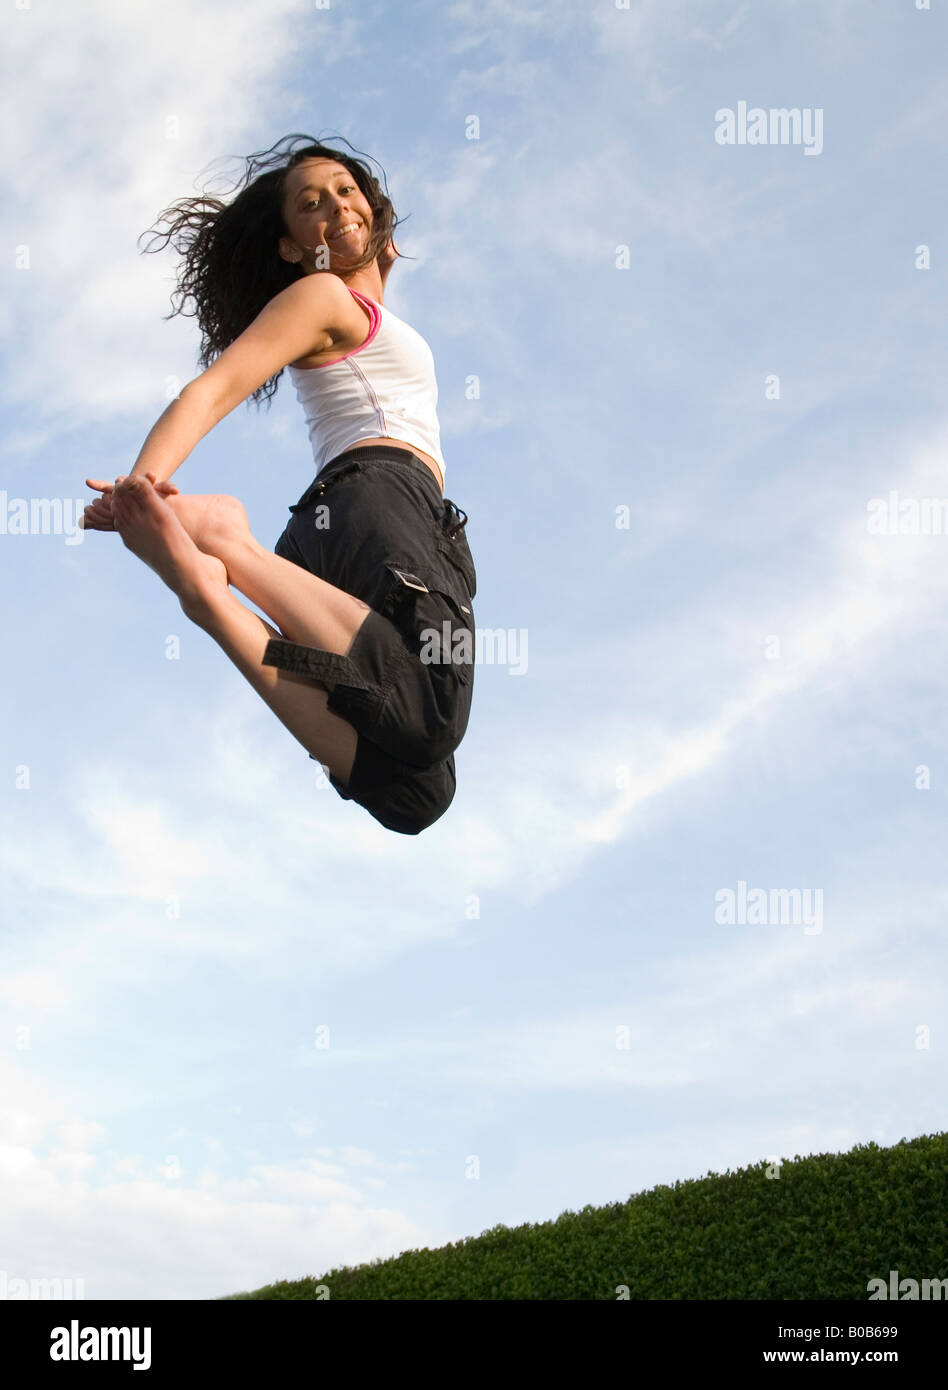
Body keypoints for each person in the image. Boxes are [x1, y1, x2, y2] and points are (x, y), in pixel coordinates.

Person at [82, 135, 477, 835]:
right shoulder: (322, 295)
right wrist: (142, 483)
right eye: (311, 204)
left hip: (338, 533)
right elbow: (210, 391)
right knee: (430, 711)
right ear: (292, 247)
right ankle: (232, 547)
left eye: (346, 189)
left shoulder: (359, 303)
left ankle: (209, 590)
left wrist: (374, 243)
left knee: (417, 793)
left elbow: (371, 253)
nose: (336, 205)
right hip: (379, 502)